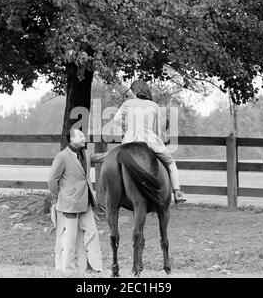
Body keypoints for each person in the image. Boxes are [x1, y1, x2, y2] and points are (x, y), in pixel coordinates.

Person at [112, 79, 187, 203]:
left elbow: (116, 119)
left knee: (115, 162)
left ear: (134, 91)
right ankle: (177, 192)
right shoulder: (154, 106)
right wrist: (159, 140)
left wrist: (128, 128)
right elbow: (157, 129)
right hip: (149, 141)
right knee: (171, 162)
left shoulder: (127, 103)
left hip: (129, 141)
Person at [48, 128, 109, 274]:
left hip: (86, 202)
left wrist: (121, 150)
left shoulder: (86, 153)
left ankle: (95, 267)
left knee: (92, 232)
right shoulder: (62, 156)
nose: (84, 138)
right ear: (71, 140)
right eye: (80, 136)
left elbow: (100, 157)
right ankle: (68, 269)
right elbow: (52, 180)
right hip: (69, 204)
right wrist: (60, 197)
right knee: (69, 237)